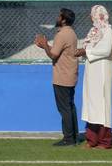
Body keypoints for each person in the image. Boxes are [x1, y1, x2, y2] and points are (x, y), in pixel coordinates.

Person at [35, 8, 79, 146]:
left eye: (59, 16)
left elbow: (53, 55)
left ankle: (68, 139)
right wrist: (46, 46)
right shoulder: (70, 33)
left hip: (62, 76)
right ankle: (74, 136)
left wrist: (44, 44)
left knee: (64, 108)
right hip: (69, 75)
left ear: (64, 20)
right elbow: (57, 52)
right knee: (70, 106)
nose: (57, 18)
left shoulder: (62, 34)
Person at [75, 5, 112, 149]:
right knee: (91, 104)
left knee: (102, 105)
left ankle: (105, 141)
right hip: (91, 71)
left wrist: (86, 52)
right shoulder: (93, 31)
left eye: (94, 14)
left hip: (102, 71)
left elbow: (105, 50)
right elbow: (88, 48)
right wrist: (84, 52)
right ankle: (91, 139)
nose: (92, 17)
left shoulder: (108, 31)